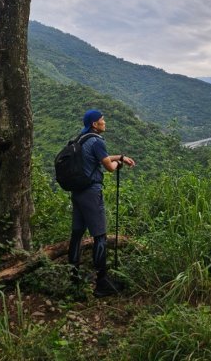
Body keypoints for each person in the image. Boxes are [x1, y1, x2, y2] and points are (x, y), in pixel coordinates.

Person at [67, 108, 135, 297]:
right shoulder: (97, 141)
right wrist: (118, 164)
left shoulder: (81, 139)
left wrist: (119, 157)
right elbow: (109, 167)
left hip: (78, 192)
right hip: (91, 193)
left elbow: (100, 159)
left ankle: (73, 276)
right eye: (102, 120)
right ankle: (102, 282)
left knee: (77, 233)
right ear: (95, 124)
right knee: (100, 235)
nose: (105, 122)